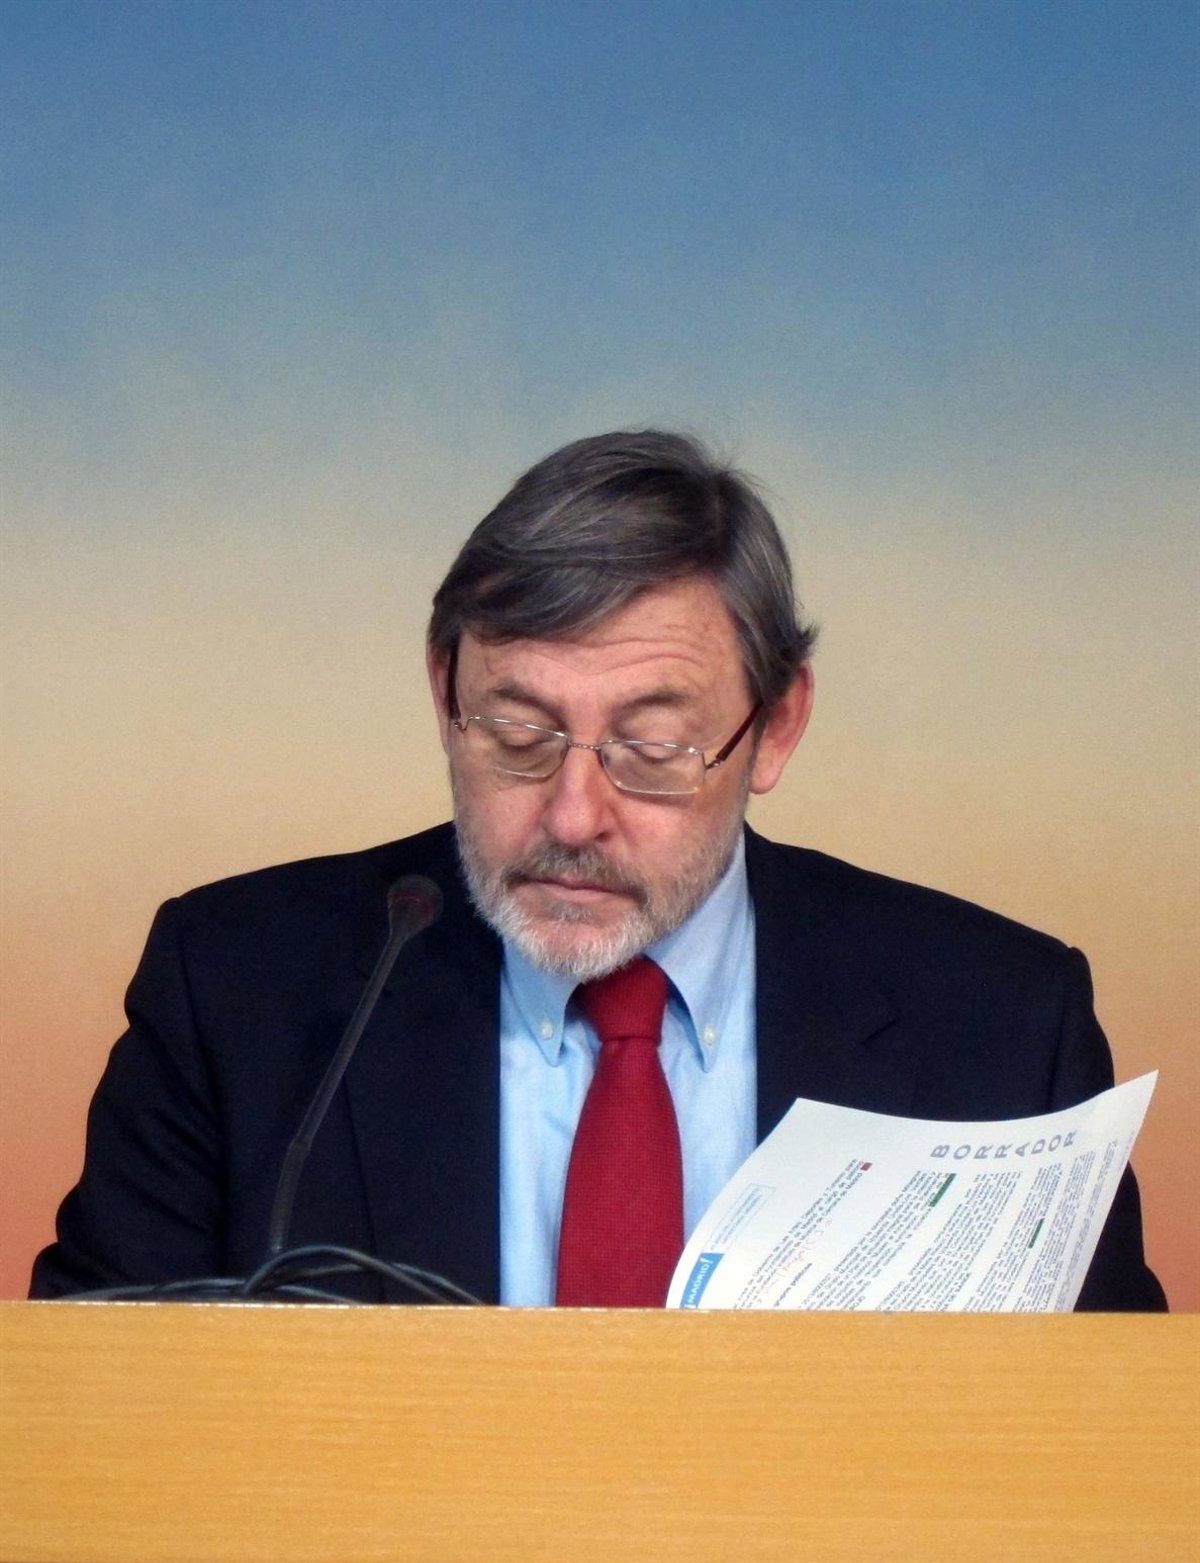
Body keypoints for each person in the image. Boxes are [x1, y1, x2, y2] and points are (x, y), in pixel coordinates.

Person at [30, 430, 1165, 1308]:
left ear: (774, 729)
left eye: (652, 747)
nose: (574, 815)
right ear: (443, 690)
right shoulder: (239, 991)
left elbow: (1117, 1454)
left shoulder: (1002, 1026)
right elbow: (88, 1417)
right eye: (518, 733)